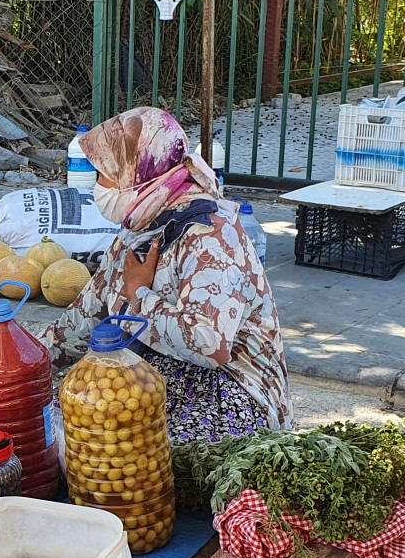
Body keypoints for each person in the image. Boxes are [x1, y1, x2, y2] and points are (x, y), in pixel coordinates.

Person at [40, 108, 292, 440]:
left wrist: (140, 296)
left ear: (138, 173)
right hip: (154, 373)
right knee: (63, 414)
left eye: (107, 173)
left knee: (128, 443)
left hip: (230, 390)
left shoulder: (212, 238)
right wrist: (30, 360)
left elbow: (210, 347)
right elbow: (87, 315)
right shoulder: (139, 231)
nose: (98, 185)